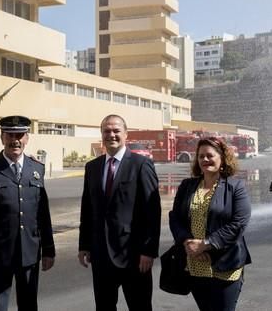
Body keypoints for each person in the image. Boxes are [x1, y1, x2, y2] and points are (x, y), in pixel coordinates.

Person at [0, 115, 55, 311]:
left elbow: (43, 213)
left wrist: (48, 249)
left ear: (27, 138)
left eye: (20, 135)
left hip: (30, 252)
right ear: (2, 137)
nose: (15, 140)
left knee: (28, 305)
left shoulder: (37, 169)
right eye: (10, 135)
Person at [78, 114, 161, 311]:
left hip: (133, 255)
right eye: (107, 131)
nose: (111, 135)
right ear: (101, 135)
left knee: (140, 306)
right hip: (101, 256)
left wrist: (148, 251)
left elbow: (153, 211)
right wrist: (84, 245)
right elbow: (87, 209)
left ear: (126, 134)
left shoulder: (141, 165)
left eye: (116, 131)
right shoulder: (92, 167)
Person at [169, 137, 251, 311]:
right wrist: (188, 243)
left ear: (222, 158)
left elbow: (239, 223)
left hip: (225, 264)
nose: (205, 160)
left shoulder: (235, 187)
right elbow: (175, 217)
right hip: (195, 263)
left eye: (210, 155)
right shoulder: (187, 185)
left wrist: (206, 244)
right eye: (201, 156)